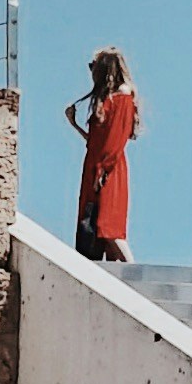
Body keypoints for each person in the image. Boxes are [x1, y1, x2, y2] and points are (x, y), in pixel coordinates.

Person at [66, 48, 137, 265]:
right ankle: (125, 277)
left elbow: (115, 141)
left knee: (108, 225)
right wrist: (75, 125)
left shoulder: (122, 96)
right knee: (96, 227)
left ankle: (134, 274)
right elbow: (97, 142)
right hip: (98, 166)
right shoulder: (109, 98)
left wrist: (103, 170)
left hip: (107, 169)